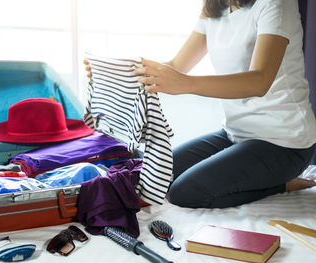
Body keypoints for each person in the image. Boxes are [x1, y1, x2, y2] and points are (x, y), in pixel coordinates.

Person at [84, 0, 316, 208]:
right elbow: (177, 65)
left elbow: (259, 81)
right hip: (235, 134)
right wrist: (113, 72)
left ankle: (282, 185)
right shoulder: (214, 9)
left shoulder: (275, 3)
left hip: (285, 142)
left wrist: (186, 84)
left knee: (184, 193)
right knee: (156, 176)